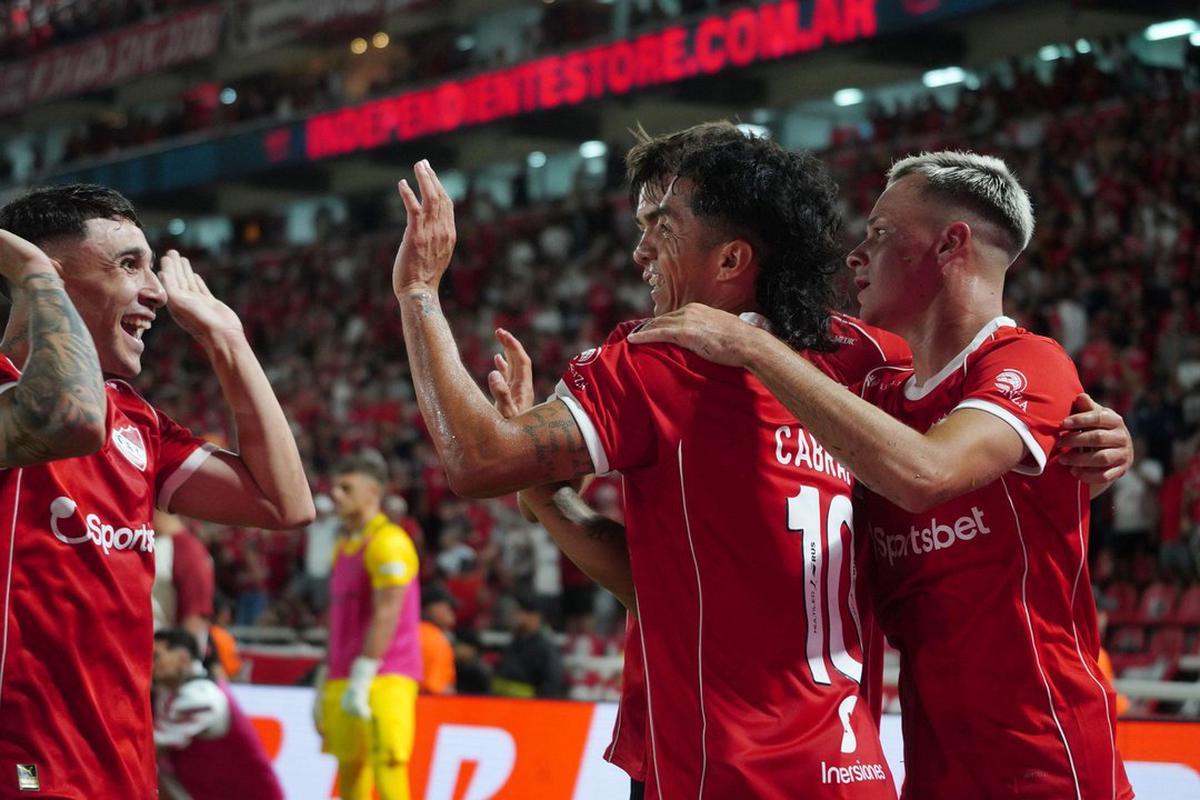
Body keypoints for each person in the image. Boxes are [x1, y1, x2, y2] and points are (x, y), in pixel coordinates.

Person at [393, 130, 901, 797]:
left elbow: (477, 459)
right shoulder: (871, 358)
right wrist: (547, 496)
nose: (639, 254)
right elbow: (654, 589)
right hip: (852, 767)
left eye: (658, 229)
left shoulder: (659, 360)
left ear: (730, 259)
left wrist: (419, 291)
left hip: (715, 771)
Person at [628, 151, 1135, 799]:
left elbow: (928, 473)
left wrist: (750, 347)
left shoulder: (1029, 361)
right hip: (928, 751)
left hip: (1046, 749)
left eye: (882, 233)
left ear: (951, 243)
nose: (856, 254)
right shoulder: (876, 395)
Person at [0, 185, 313, 799]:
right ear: (50, 275)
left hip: (122, 768)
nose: (158, 291)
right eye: (127, 265)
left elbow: (284, 504)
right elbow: (67, 417)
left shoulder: (135, 418)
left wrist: (228, 341)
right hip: (25, 764)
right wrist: (36, 276)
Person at [314, 455, 422, 800]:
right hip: (342, 674)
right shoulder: (343, 547)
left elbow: (388, 611)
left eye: (347, 488)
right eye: (335, 487)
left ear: (373, 491)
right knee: (350, 772)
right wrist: (324, 676)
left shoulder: (389, 542)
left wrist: (362, 676)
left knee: (389, 767)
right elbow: (338, 621)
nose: (336, 495)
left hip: (386, 675)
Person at [152, 628, 284, 800]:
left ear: (183, 658)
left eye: (156, 657)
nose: (150, 664)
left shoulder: (201, 698)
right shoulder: (170, 691)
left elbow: (151, 748)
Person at [153, 509, 216, 651]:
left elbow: (195, 618)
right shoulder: (155, 542)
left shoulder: (187, 549)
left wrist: (178, 657)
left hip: (164, 655)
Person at [491, 591, 565, 699]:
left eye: (518, 612)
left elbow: (550, 687)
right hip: (503, 708)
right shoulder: (514, 643)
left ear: (533, 616)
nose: (513, 616)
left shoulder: (545, 649)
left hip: (527, 710)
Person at [419, 585, 457, 695]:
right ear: (432, 608)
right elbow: (437, 688)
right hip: (428, 705)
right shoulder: (434, 637)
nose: (452, 613)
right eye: (447, 607)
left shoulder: (410, 631)